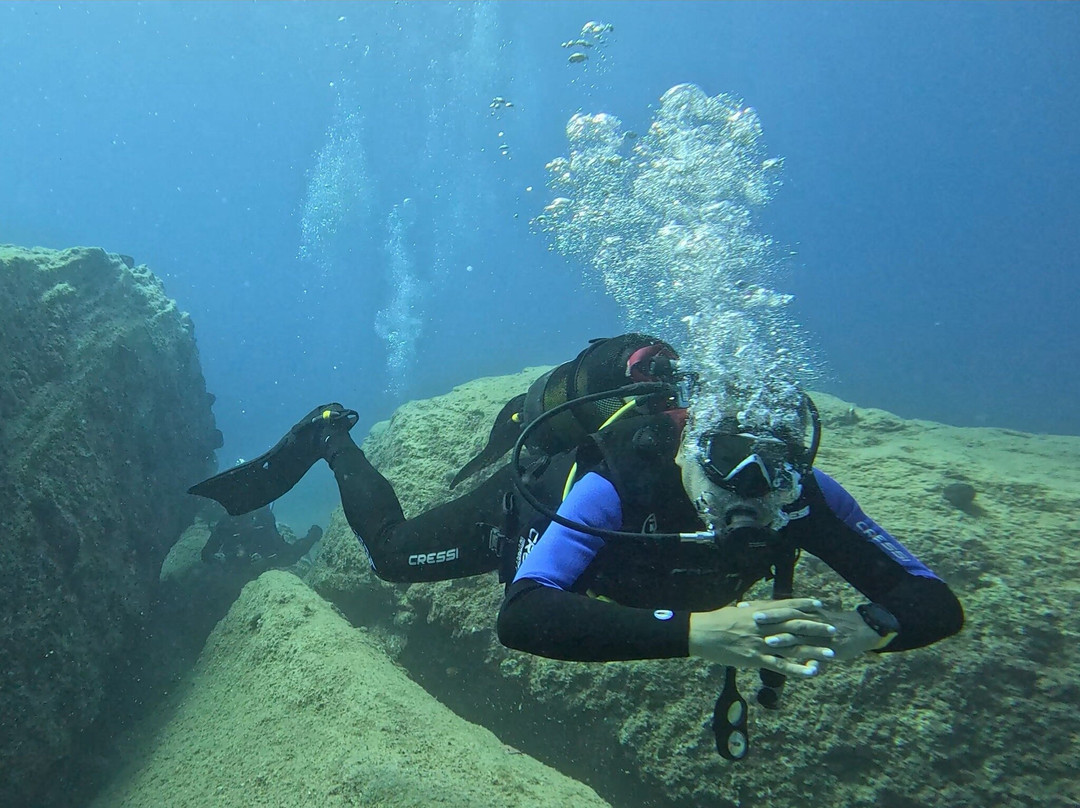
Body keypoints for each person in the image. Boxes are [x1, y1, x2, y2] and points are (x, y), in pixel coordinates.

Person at [188, 333, 963, 758]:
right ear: (689, 449)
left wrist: (870, 628)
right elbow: (523, 617)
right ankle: (330, 437)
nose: (750, 497)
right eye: (729, 473)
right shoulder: (620, 480)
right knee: (391, 558)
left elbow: (933, 600)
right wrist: (699, 636)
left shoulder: (802, 497)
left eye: (774, 477)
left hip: (634, 579)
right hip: (522, 522)